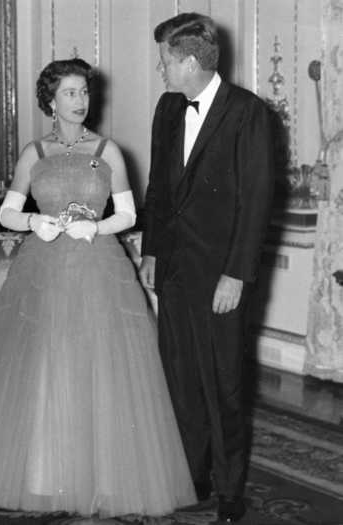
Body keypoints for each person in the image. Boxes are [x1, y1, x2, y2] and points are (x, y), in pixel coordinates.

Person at [0, 58, 196, 519]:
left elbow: (129, 214)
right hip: (44, 269)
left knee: (99, 365)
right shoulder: (35, 152)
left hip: (99, 269)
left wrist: (94, 229)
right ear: (51, 101)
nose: (81, 101)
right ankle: (47, 476)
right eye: (71, 93)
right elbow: (7, 213)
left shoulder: (108, 150)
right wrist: (36, 221)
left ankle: (105, 477)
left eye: (85, 92)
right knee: (48, 365)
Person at [139, 12, 275, 523]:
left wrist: (236, 275)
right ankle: (191, 474)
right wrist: (152, 251)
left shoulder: (248, 113)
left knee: (224, 382)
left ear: (190, 62)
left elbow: (256, 202)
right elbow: (159, 188)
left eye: (165, 62)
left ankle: (230, 487)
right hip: (174, 269)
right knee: (181, 377)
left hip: (222, 276)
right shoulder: (167, 109)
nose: (160, 71)